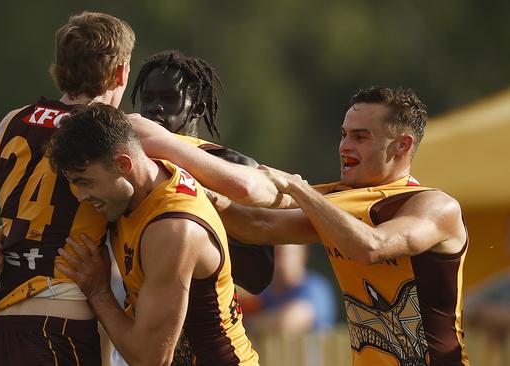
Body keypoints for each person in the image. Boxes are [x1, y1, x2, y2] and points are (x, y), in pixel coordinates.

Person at [204, 86, 470, 365]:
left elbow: (372, 246)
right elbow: (256, 226)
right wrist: (183, 183)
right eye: (344, 135)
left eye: (360, 137)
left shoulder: (435, 205)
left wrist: (299, 189)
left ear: (402, 145)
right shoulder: (338, 200)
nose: (345, 146)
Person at [0, 11, 135, 366]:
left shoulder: (11, 122)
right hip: (58, 323)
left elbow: (32, 212)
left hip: (1, 324)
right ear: (120, 72)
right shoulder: (113, 131)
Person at [48, 103, 259, 365]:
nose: (81, 197)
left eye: (86, 182)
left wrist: (98, 291)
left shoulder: (173, 229)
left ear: (123, 164)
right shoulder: (129, 188)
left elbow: (151, 358)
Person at [131, 49, 273, 294]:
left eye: (168, 98)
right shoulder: (131, 165)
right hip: (141, 315)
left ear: (197, 108)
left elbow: (259, 277)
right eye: (149, 98)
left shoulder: (237, 167)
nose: (155, 108)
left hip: (209, 319)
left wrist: (199, 224)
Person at [242, 245, 336, 336]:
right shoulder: (267, 292)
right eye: (273, 254)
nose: (275, 259)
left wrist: (246, 325)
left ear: (301, 254)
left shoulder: (315, 288)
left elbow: (287, 322)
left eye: (281, 253)